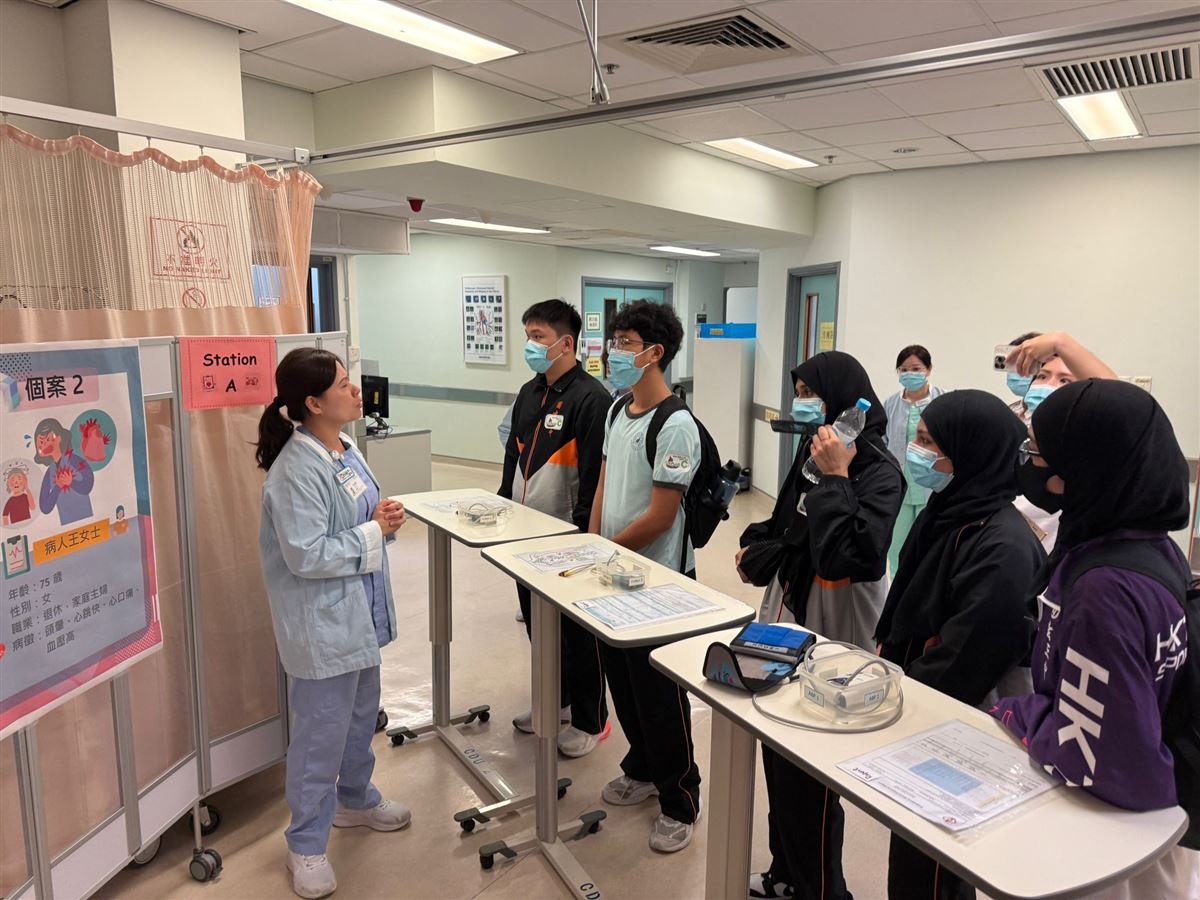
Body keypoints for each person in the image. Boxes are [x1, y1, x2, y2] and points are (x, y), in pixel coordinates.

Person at [994, 379, 1199, 899]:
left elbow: (1098, 758)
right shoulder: (1149, 543)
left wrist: (1020, 712)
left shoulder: (1103, 591)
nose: (1028, 464)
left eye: (1037, 452)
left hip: (1118, 842)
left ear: (1083, 467)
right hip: (1158, 815)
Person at [736, 350, 904, 900]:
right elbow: (786, 520)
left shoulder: (879, 469)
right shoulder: (813, 449)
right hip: (790, 609)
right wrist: (757, 545)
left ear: (842, 398)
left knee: (812, 771)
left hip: (838, 624)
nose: (802, 401)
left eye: (811, 392)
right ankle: (785, 874)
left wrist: (836, 476)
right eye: (800, 390)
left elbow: (850, 555)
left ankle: (823, 890)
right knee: (779, 747)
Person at [875, 390, 1046, 900]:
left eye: (930, 442)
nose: (918, 452)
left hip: (956, 718)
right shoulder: (949, 510)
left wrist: (898, 697)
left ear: (972, 452)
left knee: (936, 863)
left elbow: (968, 655)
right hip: (921, 703)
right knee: (914, 847)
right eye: (918, 438)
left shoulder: (1004, 544)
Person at [256, 348, 410, 900]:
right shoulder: (296, 470)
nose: (355, 390)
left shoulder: (344, 448)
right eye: (344, 384)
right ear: (314, 403)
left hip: (357, 616)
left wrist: (382, 519)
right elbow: (306, 554)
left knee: (359, 718)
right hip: (321, 626)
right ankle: (305, 843)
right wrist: (373, 531)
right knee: (320, 735)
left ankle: (355, 799)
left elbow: (359, 517)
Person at [587, 299, 703, 853]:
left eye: (625, 344)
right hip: (610, 573)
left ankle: (680, 797)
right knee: (623, 683)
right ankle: (642, 766)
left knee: (659, 694)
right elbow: (604, 484)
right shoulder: (617, 409)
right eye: (614, 342)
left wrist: (606, 553)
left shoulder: (675, 424)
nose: (613, 352)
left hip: (656, 583)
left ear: (654, 353)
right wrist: (590, 546)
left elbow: (660, 516)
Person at [499, 299, 611, 757]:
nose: (529, 344)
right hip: (524, 535)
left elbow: (594, 475)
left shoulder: (591, 398)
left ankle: (590, 719)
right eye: (527, 335)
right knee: (539, 626)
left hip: (568, 537)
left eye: (538, 337)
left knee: (577, 635)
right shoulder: (530, 392)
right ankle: (555, 701)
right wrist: (503, 506)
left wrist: (585, 535)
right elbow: (513, 454)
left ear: (566, 343)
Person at [1004, 331, 1118, 552]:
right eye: (1042, 376)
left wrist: (1061, 342)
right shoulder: (1020, 430)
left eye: (1064, 380)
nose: (1047, 386)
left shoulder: (1090, 443)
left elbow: (1122, 399)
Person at [883, 345, 944, 578]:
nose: (910, 374)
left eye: (916, 369)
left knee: (928, 544)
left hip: (932, 483)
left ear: (929, 369)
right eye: (904, 369)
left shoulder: (942, 400)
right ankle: (898, 588)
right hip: (900, 485)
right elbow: (883, 441)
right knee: (896, 546)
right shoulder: (891, 404)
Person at [33, 418, 94, 526]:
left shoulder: (73, 460)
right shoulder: (49, 472)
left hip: (87, 519)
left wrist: (72, 482)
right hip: (67, 523)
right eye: (40, 443)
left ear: (59, 438)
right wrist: (58, 487)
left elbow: (88, 485)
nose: (44, 445)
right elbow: (45, 507)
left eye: (48, 439)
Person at [2, 461, 35, 526]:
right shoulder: (10, 500)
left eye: (19, 479)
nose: (16, 482)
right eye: (12, 480)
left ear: (25, 481)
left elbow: (32, 507)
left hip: (28, 525)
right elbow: (5, 515)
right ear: (8, 483)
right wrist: (8, 529)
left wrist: (27, 489)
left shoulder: (25, 496)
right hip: (16, 526)